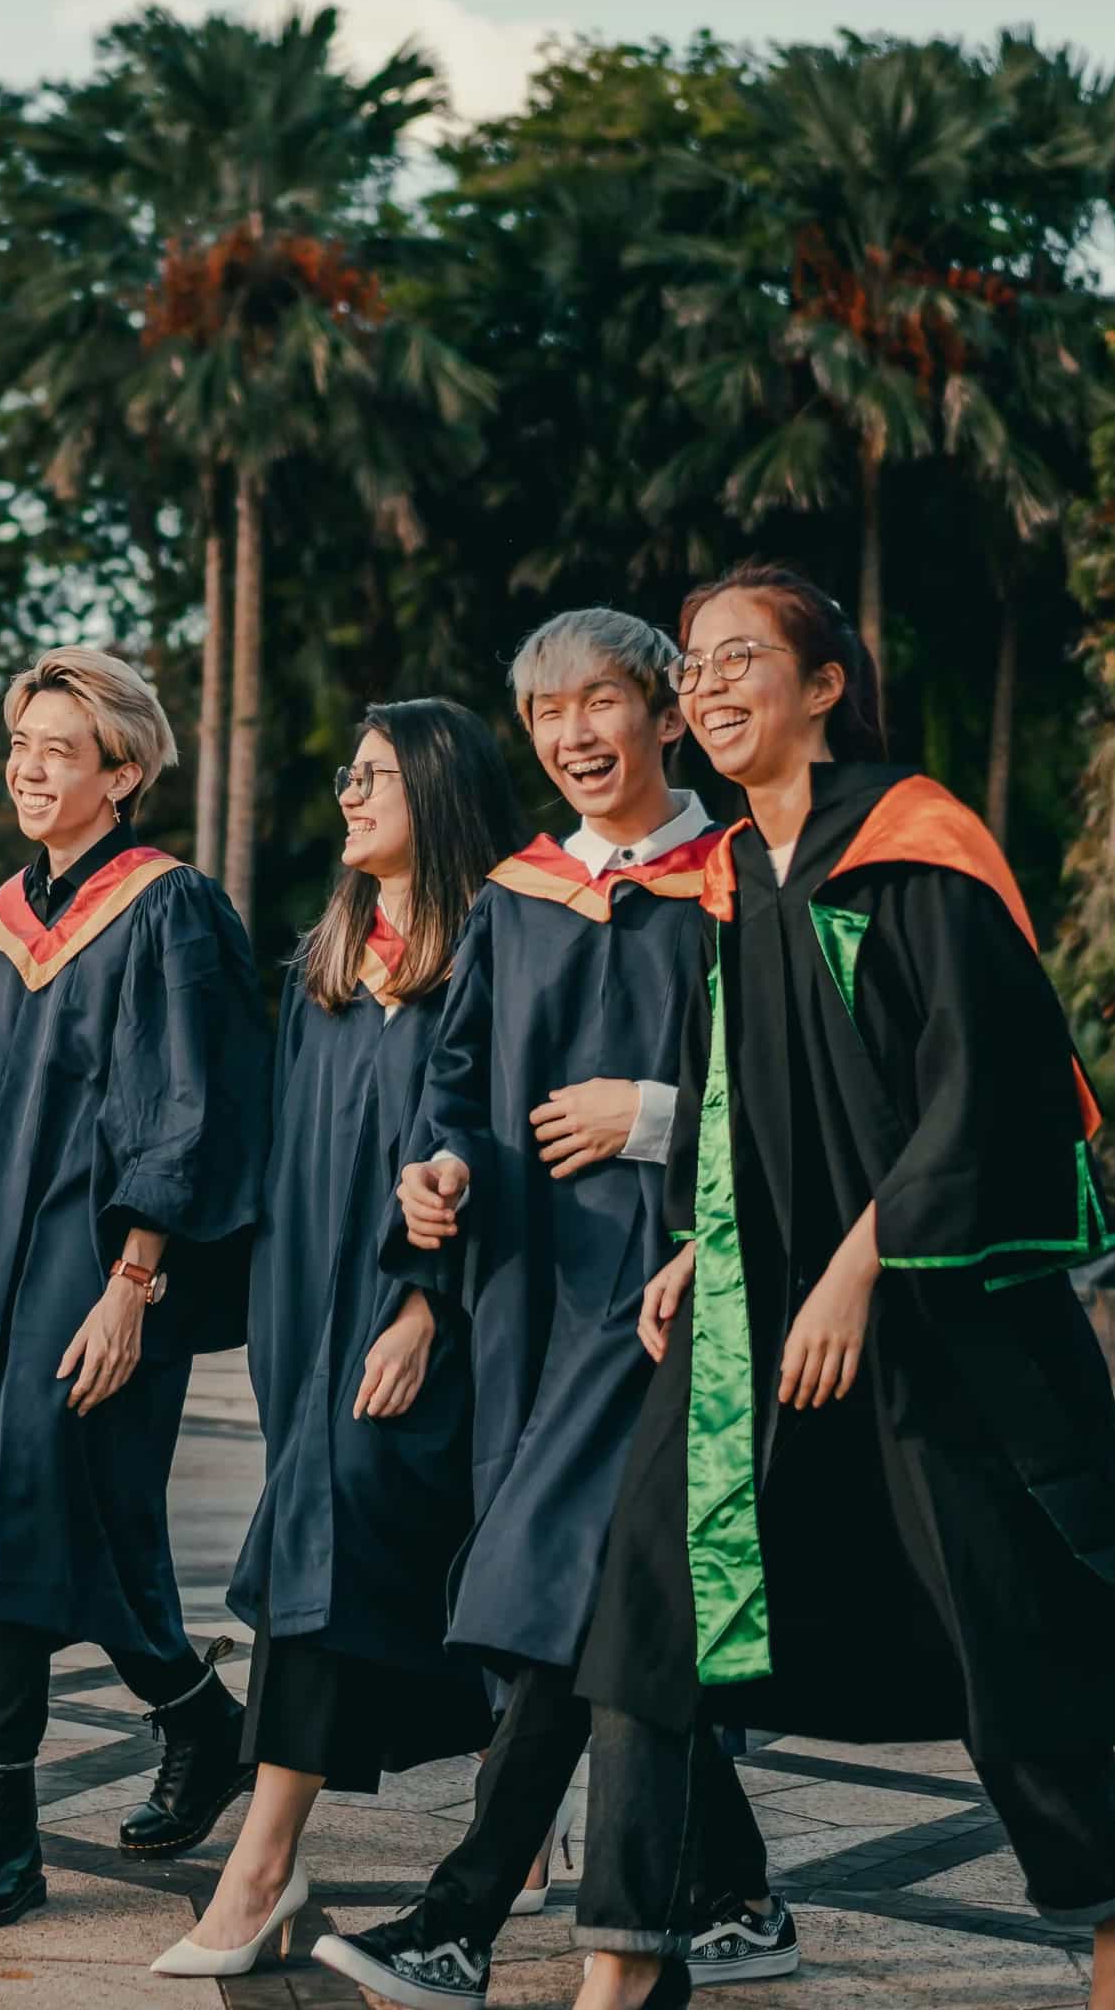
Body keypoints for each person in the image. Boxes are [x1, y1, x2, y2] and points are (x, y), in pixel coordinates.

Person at [574, 561, 1115, 2010]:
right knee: (646, 1613)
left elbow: (992, 1092)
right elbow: (737, 1093)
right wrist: (695, 1237)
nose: (711, 688)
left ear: (826, 685)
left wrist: (862, 1263)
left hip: (929, 1319)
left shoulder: (915, 848)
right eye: (697, 668)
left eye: (743, 661)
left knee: (1001, 1633)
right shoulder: (730, 878)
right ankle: (622, 1969)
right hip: (749, 1306)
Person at [316, 611, 792, 2010]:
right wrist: (442, 1167)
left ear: (663, 713)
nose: (574, 737)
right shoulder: (523, 896)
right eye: (546, 715)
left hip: (666, 1299)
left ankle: (460, 1921)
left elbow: (797, 1092)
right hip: (534, 1295)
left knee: (558, 1597)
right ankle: (738, 1896)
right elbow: (457, 1078)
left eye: (600, 704)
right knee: (606, 1614)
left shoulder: (741, 878)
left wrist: (654, 1116)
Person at [0, 646, 270, 1934]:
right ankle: (205, 1721)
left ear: (124, 771)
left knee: (27, 1521)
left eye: (60, 749)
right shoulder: (0, 927)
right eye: (21, 744)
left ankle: (2, 1819)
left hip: (96, 1275)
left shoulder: (170, 910)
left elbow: (189, 1106)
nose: (30, 769)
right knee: (63, 1531)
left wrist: (135, 1278)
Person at [155, 700, 519, 1981]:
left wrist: (423, 1299)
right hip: (309, 1307)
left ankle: (262, 1862)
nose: (349, 796)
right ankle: (549, 1780)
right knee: (432, 1568)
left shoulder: (494, 946)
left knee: (325, 1539)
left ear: (438, 785)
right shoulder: (327, 957)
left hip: (428, 1311)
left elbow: (478, 1141)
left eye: (373, 775)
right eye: (346, 773)